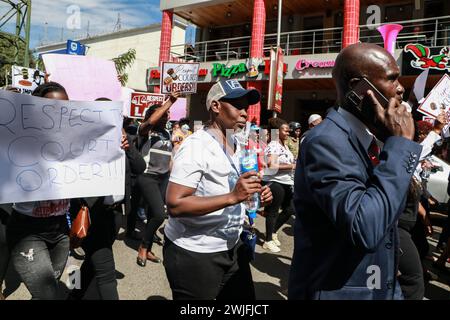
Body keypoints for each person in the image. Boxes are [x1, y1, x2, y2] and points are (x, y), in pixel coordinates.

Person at [289, 43, 422, 300]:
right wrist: (401, 147)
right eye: (391, 79)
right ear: (359, 88)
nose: (400, 87)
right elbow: (365, 227)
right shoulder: (325, 141)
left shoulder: (375, 135)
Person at [163, 79, 273, 300]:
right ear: (215, 106)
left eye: (246, 107)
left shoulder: (237, 144)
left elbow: (230, 189)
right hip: (195, 253)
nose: (244, 113)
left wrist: (255, 198)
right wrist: (233, 197)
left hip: (232, 245)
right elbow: (175, 204)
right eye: (237, 105)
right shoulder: (195, 146)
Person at [67, 100, 146, 300]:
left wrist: (128, 148)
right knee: (106, 273)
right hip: (92, 216)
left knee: (92, 264)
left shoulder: (125, 138)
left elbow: (140, 168)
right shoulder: (84, 143)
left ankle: (72, 296)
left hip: (115, 214)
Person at [6, 82, 71, 300]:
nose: (59, 112)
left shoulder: (76, 140)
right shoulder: (18, 138)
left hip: (61, 232)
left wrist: (115, 146)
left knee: (46, 293)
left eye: (65, 107)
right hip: (27, 231)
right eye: (51, 106)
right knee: (48, 296)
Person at [133, 91, 181, 266]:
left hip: (163, 178)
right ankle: (143, 247)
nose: (167, 116)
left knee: (155, 214)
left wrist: (173, 175)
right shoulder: (145, 130)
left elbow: (169, 158)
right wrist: (170, 101)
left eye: (168, 114)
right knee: (160, 214)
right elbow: (152, 121)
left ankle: (149, 248)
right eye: (163, 114)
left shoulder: (167, 134)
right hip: (147, 177)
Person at [262, 118, 296, 253]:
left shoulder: (284, 145)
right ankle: (268, 240)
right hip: (275, 181)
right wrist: (292, 166)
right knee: (273, 211)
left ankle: (273, 231)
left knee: (291, 208)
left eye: (288, 130)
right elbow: (272, 166)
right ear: (277, 131)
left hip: (287, 182)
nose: (288, 132)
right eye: (285, 130)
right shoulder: (274, 145)